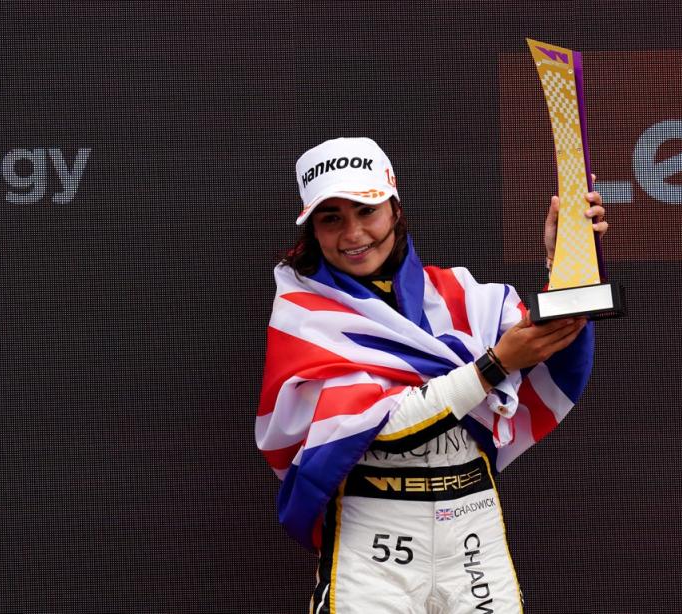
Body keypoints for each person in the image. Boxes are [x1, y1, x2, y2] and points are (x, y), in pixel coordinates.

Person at [256, 137, 607, 613]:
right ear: (313, 230)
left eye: (367, 211)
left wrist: (566, 262)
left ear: (396, 211)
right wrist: (494, 365)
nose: (354, 233)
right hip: (373, 535)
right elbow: (382, 430)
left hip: (472, 525)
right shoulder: (306, 315)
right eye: (331, 218)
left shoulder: (461, 294)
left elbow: (554, 355)